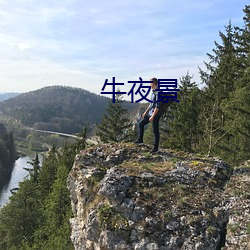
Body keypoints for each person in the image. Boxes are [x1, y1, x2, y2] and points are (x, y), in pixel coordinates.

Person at [135, 78, 162, 153]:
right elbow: (151, 104)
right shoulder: (153, 92)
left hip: (156, 114)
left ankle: (155, 148)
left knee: (155, 131)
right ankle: (140, 140)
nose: (149, 84)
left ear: (153, 83)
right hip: (150, 113)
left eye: (150, 83)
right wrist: (146, 112)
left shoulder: (159, 92)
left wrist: (153, 116)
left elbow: (158, 106)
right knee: (141, 124)